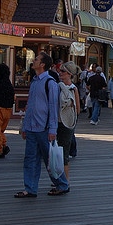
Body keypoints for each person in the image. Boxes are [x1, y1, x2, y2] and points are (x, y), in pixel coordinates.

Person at [14, 52, 69, 198]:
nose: (34, 61)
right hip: (32, 127)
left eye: (36, 59)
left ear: (42, 64)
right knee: (30, 158)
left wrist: (52, 129)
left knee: (50, 160)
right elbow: (30, 106)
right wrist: (25, 126)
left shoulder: (49, 83)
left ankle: (62, 184)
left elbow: (53, 107)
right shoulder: (35, 81)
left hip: (44, 128)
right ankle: (30, 188)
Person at [57, 61, 81, 181]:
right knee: (57, 151)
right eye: (60, 70)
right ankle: (60, 178)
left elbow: (78, 109)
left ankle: (65, 179)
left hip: (67, 123)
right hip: (57, 122)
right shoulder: (58, 86)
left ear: (69, 74)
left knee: (64, 152)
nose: (60, 73)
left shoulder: (73, 89)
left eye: (63, 71)